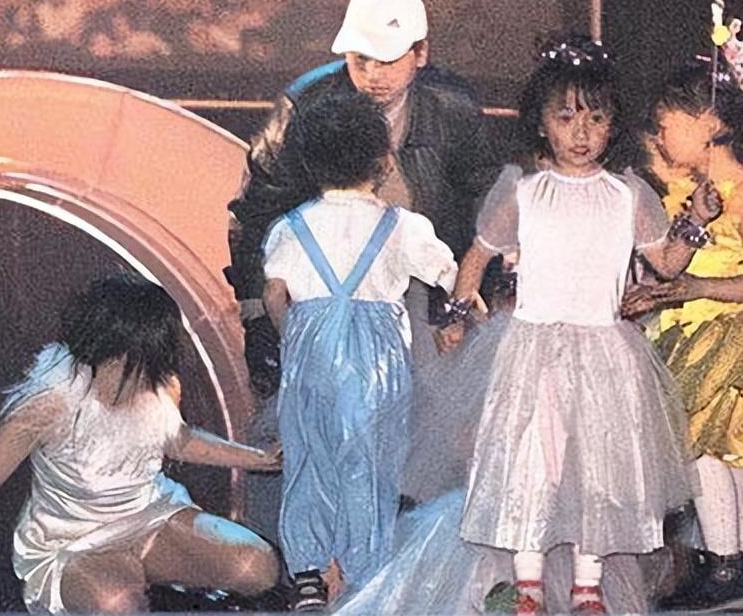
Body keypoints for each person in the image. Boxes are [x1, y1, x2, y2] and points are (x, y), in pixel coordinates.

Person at [338, 36, 720, 616]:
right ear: (541, 122)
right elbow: (477, 256)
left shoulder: (628, 193)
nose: (581, 132)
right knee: (531, 466)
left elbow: (664, 262)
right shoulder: (523, 190)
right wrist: (459, 316)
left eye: (596, 118)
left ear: (613, 124)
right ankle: (528, 587)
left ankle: (588, 587)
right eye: (566, 117)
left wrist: (695, 221)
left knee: (598, 471)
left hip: (605, 351)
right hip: (534, 350)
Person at [0, 274, 281, 614]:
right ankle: (123, 592)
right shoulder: (50, 404)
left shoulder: (160, 385)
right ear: (121, 350)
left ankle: (167, 592)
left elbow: (178, 439)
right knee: (118, 604)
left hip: (150, 517)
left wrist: (257, 458)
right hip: (73, 542)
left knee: (257, 567)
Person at [262, 91, 458, 610]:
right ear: (384, 160)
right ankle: (362, 573)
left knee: (309, 458)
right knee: (370, 462)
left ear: (309, 163)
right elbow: (448, 274)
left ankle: (308, 572)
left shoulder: (290, 227)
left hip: (311, 352)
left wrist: (294, 334)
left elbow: (274, 293)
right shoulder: (403, 227)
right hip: (376, 361)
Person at [622, 59, 743, 612]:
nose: (660, 134)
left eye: (667, 123)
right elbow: (669, 268)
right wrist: (654, 293)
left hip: (722, 337)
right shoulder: (688, 196)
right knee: (712, 448)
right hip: (687, 334)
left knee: (707, 445)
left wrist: (696, 287)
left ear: (709, 122)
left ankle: (725, 562)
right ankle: (724, 558)